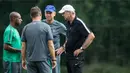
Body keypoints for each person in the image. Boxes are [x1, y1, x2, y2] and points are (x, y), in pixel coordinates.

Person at [58, 4, 95, 73]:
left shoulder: (79, 23)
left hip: (76, 57)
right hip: (69, 57)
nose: (62, 15)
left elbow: (91, 36)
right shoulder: (67, 24)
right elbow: (68, 39)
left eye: (64, 13)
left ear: (69, 13)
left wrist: (81, 49)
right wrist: (63, 47)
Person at [21, 6, 57, 73]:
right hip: (43, 60)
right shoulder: (46, 27)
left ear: (31, 16)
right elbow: (50, 45)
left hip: (30, 61)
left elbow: (23, 46)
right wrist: (53, 59)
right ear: (40, 15)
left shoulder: (26, 28)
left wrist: (23, 60)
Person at [43, 5, 67, 73]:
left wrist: (63, 47)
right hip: (43, 55)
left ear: (54, 14)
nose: (48, 15)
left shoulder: (59, 25)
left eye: (50, 13)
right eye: (46, 13)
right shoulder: (41, 24)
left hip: (55, 55)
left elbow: (70, 36)